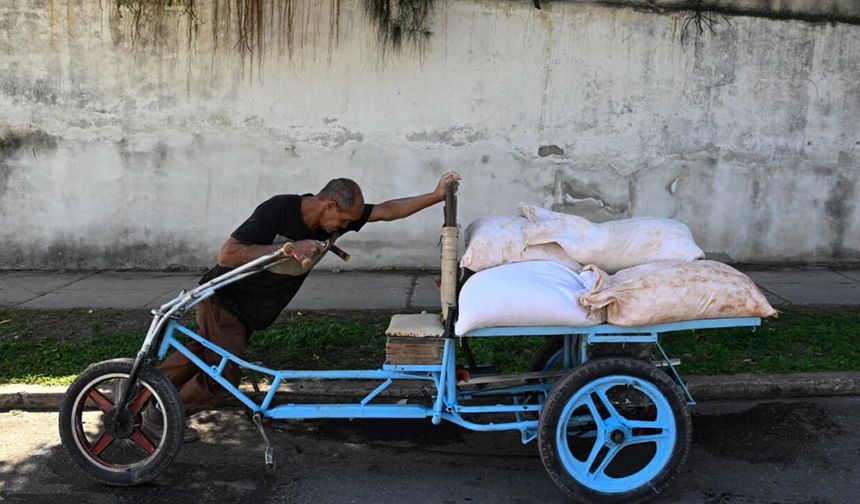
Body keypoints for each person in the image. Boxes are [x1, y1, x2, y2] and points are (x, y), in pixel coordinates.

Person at [146, 171, 461, 440]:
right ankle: (162, 419)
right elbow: (227, 254)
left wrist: (436, 195)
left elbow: (389, 210)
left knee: (199, 357)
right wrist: (286, 248)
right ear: (329, 204)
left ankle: (136, 396)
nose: (343, 228)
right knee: (222, 374)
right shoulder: (279, 209)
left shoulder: (338, 219)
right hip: (224, 299)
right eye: (342, 220)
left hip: (249, 310)